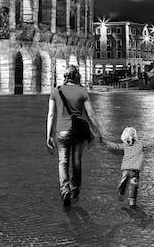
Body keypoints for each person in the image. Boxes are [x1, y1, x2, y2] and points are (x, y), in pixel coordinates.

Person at [46, 64, 103, 207]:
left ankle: (65, 190)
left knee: (62, 162)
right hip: (78, 132)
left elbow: (51, 114)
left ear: (65, 77)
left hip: (61, 131)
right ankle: (75, 189)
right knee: (76, 161)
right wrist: (99, 131)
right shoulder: (82, 92)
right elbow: (91, 114)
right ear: (77, 76)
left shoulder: (55, 91)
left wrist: (48, 135)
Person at [101, 126, 144, 207]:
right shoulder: (140, 144)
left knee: (124, 181)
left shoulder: (125, 145)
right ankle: (132, 201)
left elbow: (115, 146)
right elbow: (149, 144)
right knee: (133, 185)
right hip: (135, 170)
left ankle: (121, 192)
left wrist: (106, 142)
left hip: (126, 169)